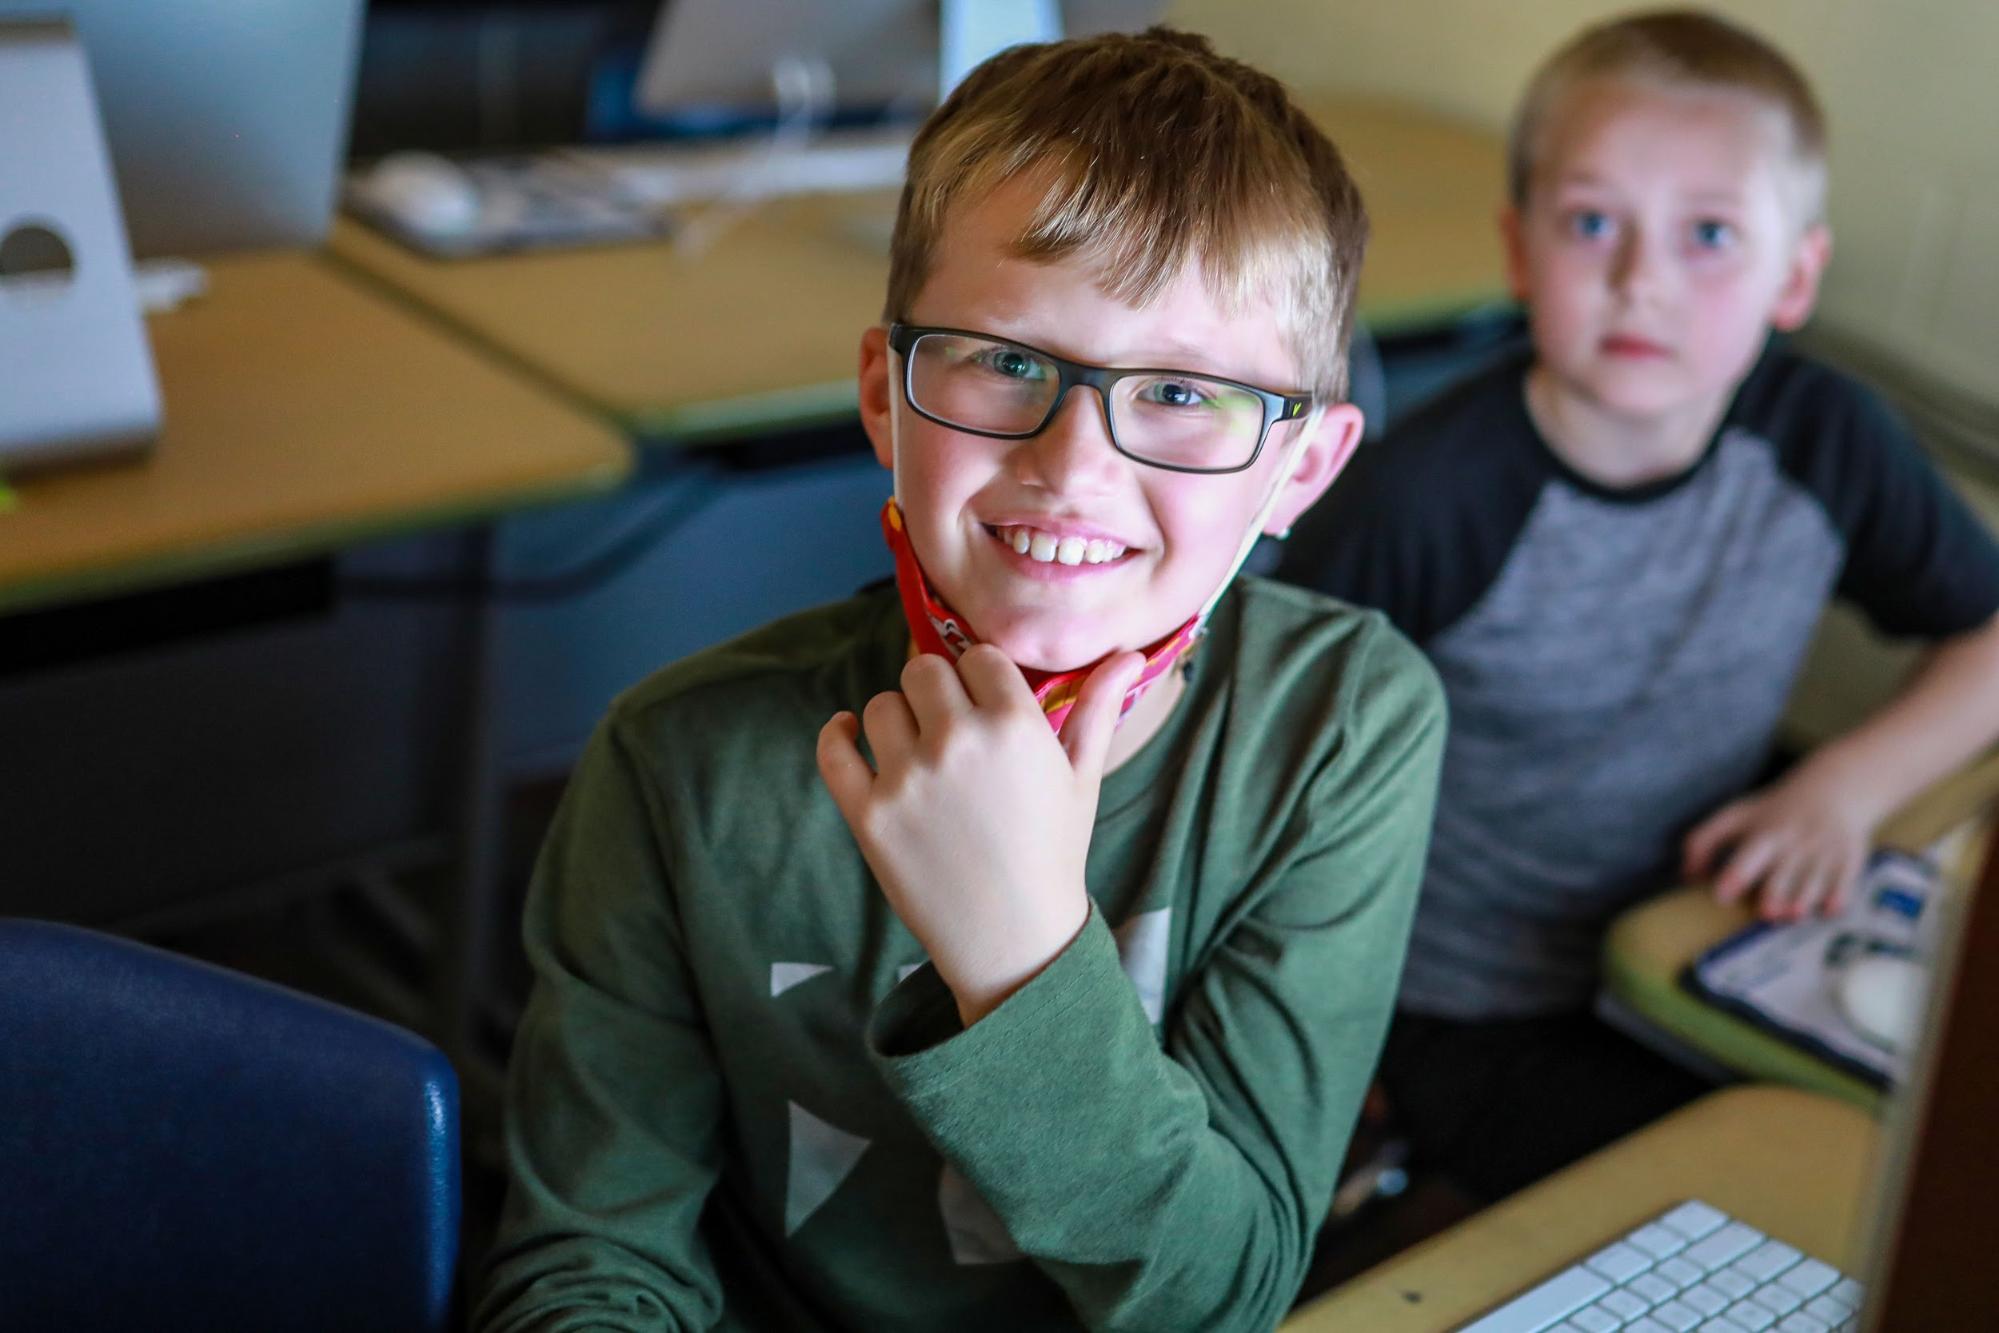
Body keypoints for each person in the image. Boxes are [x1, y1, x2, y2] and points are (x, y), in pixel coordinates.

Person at [476, 28, 1447, 1332]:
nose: (1073, 465)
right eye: (1003, 361)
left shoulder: (1341, 727)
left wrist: (1015, 950)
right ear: (885, 395)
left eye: (1175, 391)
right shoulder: (677, 763)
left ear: (1302, 470)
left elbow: (1220, 1300)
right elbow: (589, 1270)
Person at [1278, 7, 1999, 1204]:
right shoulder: (1426, 502)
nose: (1641, 281)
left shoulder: (1826, 438)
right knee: (1753, 1199)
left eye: (1708, 233)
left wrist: (1844, 786)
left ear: (1795, 275)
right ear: (1519, 251)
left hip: (1705, 925)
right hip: (1458, 998)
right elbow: (1260, 757)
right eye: (1592, 223)